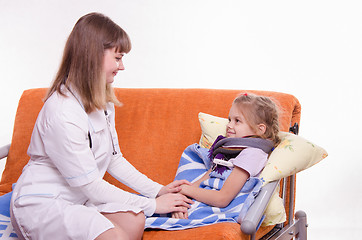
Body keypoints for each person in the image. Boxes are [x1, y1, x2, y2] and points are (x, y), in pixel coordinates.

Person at [10, 12, 192, 240]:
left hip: (79, 200)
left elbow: (114, 159)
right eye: (117, 58)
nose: (122, 66)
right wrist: (154, 204)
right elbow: (92, 186)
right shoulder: (62, 111)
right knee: (115, 235)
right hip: (42, 203)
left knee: (135, 220)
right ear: (93, 56)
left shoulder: (102, 101)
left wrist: (159, 190)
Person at [172, 93, 280, 219]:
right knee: (158, 204)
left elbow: (222, 199)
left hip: (219, 209)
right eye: (229, 119)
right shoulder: (228, 150)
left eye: (237, 121)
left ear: (260, 129)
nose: (229, 125)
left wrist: (184, 190)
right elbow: (200, 182)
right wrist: (180, 201)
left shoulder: (253, 154)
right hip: (203, 199)